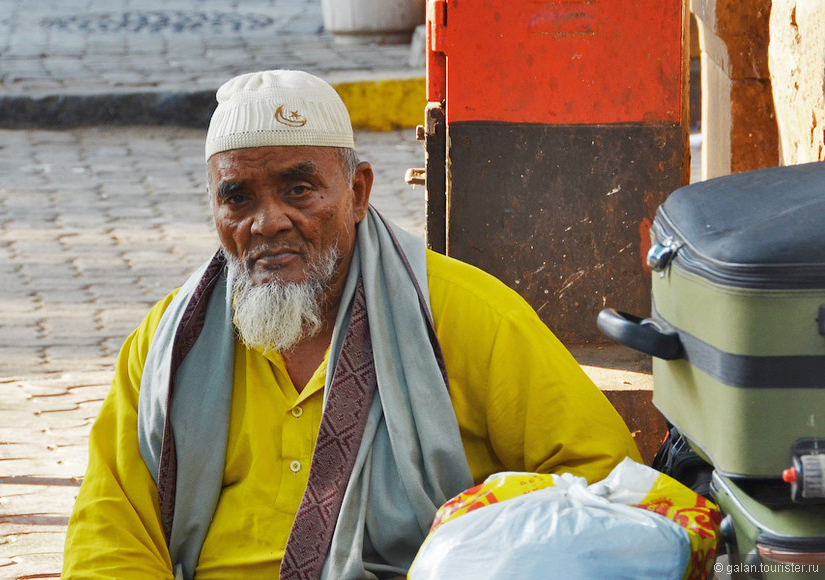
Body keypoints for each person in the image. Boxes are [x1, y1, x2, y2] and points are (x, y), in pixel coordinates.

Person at [62, 70, 641, 580]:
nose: (268, 222)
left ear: (358, 192)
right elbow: (110, 534)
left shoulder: (466, 314)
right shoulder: (168, 344)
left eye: (298, 189)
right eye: (238, 199)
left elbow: (602, 484)